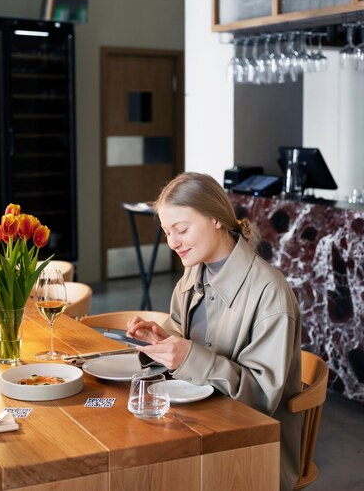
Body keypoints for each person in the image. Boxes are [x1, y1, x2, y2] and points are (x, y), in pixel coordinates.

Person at [127, 172, 301, 491]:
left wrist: (189, 357)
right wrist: (161, 342)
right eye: (167, 232)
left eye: (181, 229)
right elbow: (182, 345)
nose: (173, 243)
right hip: (193, 427)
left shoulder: (270, 292)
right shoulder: (192, 274)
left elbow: (261, 399)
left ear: (216, 218)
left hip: (250, 452)